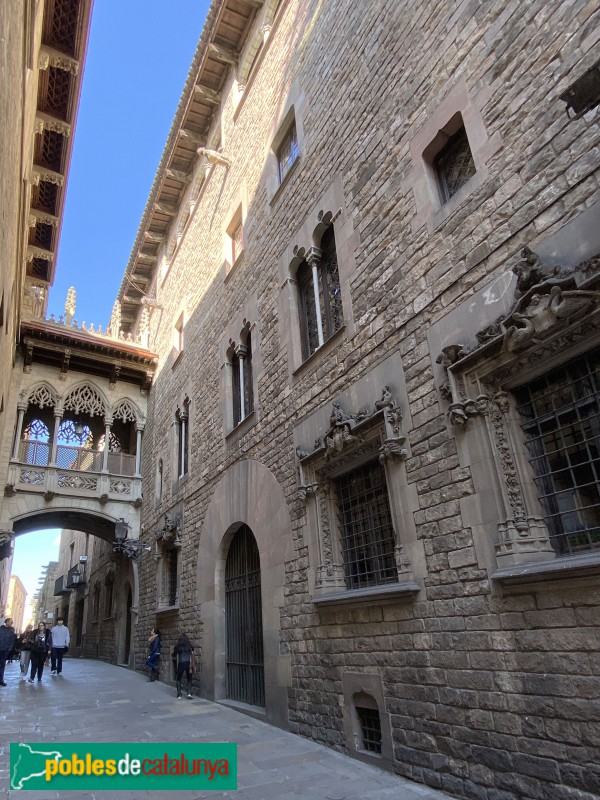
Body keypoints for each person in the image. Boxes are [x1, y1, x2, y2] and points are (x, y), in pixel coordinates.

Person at [172, 633, 195, 699]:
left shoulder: (177, 646)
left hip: (181, 663)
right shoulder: (189, 646)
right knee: (189, 678)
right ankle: (189, 693)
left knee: (178, 678)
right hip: (188, 663)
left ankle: (179, 694)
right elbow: (192, 651)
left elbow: (174, 654)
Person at [0, 617, 16, 687]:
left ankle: (1, 680)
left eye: (12, 622)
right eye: (10, 622)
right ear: (6, 622)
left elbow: (12, 640)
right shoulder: (1, 629)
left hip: (6, 650)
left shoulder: (12, 630)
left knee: (2, 665)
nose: (11, 623)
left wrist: (10, 648)